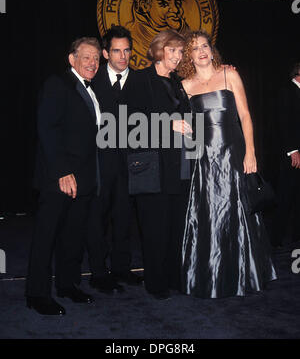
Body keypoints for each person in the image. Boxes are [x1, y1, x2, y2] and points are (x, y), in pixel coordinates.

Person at [178, 30, 277, 298]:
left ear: (212, 49)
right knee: (208, 214)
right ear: (188, 55)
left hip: (233, 154)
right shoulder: (185, 86)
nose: (201, 51)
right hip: (204, 158)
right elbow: (183, 125)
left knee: (238, 212)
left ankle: (245, 274)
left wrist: (251, 152)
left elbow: (245, 115)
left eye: (205, 46)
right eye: (195, 48)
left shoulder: (229, 74)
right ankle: (210, 275)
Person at [26, 37, 101, 315]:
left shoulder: (91, 90)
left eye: (96, 58)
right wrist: (62, 171)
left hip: (84, 179)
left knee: (73, 236)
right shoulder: (58, 84)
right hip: (59, 177)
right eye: (86, 57)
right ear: (72, 59)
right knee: (47, 236)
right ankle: (37, 294)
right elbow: (47, 128)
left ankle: (68, 286)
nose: (93, 63)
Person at [127, 29, 192, 300]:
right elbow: (129, 122)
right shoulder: (141, 79)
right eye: (172, 50)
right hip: (152, 166)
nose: (177, 56)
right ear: (159, 50)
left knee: (177, 225)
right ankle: (156, 282)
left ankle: (174, 277)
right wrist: (169, 124)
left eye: (180, 51)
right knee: (154, 226)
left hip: (179, 165)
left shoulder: (178, 82)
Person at [87, 25, 143, 294]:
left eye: (127, 50)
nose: (123, 56)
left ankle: (122, 268)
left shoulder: (141, 81)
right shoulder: (92, 80)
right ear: (106, 53)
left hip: (130, 164)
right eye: (117, 51)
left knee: (124, 217)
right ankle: (98, 272)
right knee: (97, 219)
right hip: (99, 163)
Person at [271, 62, 300, 247]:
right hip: (291, 154)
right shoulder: (287, 91)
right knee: (286, 195)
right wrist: (293, 150)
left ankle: (297, 236)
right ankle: (276, 238)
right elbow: (284, 123)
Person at [126, 0, 190, 56]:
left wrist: (181, 29)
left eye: (177, 3)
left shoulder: (185, 32)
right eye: (164, 3)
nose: (175, 10)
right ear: (144, 5)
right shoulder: (132, 38)